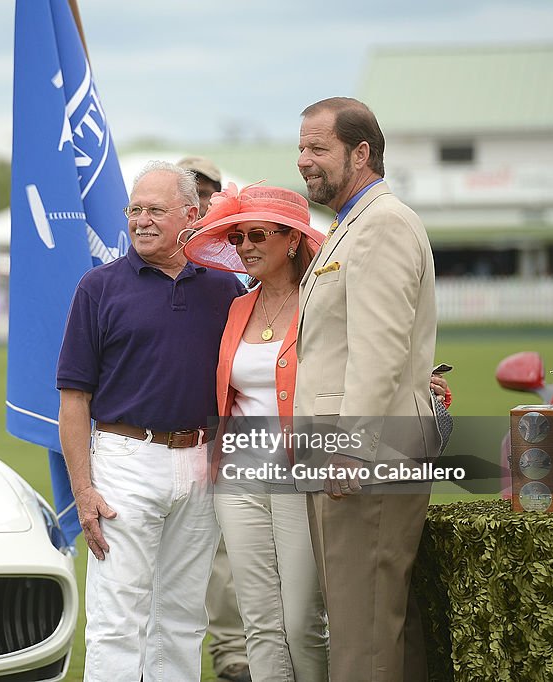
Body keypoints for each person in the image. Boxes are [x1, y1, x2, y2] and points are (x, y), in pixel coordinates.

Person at [56, 160, 245, 681]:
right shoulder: (97, 288)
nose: (141, 219)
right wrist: (84, 490)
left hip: (201, 463)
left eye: (154, 210)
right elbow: (74, 399)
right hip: (125, 462)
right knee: (117, 622)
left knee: (182, 619)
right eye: (134, 209)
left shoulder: (225, 288)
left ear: (190, 214)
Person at [294, 96, 437, 681]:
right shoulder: (351, 225)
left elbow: (378, 353)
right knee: (367, 626)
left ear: (361, 152)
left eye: (317, 148)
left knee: (364, 635)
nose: (304, 160)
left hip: (366, 457)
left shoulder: (381, 225)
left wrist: (350, 446)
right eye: (300, 147)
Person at [183, 184, 329, 681]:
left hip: (300, 475)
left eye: (258, 235)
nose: (245, 246)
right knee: (260, 624)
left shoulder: (323, 304)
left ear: (292, 240)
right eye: (239, 235)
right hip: (239, 481)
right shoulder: (238, 307)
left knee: (302, 622)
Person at [177, 154, 252, 682]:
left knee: (228, 552)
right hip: (160, 440)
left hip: (224, 433)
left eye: (210, 194)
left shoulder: (235, 269)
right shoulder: (141, 264)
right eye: (194, 193)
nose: (203, 203)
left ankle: (232, 656)